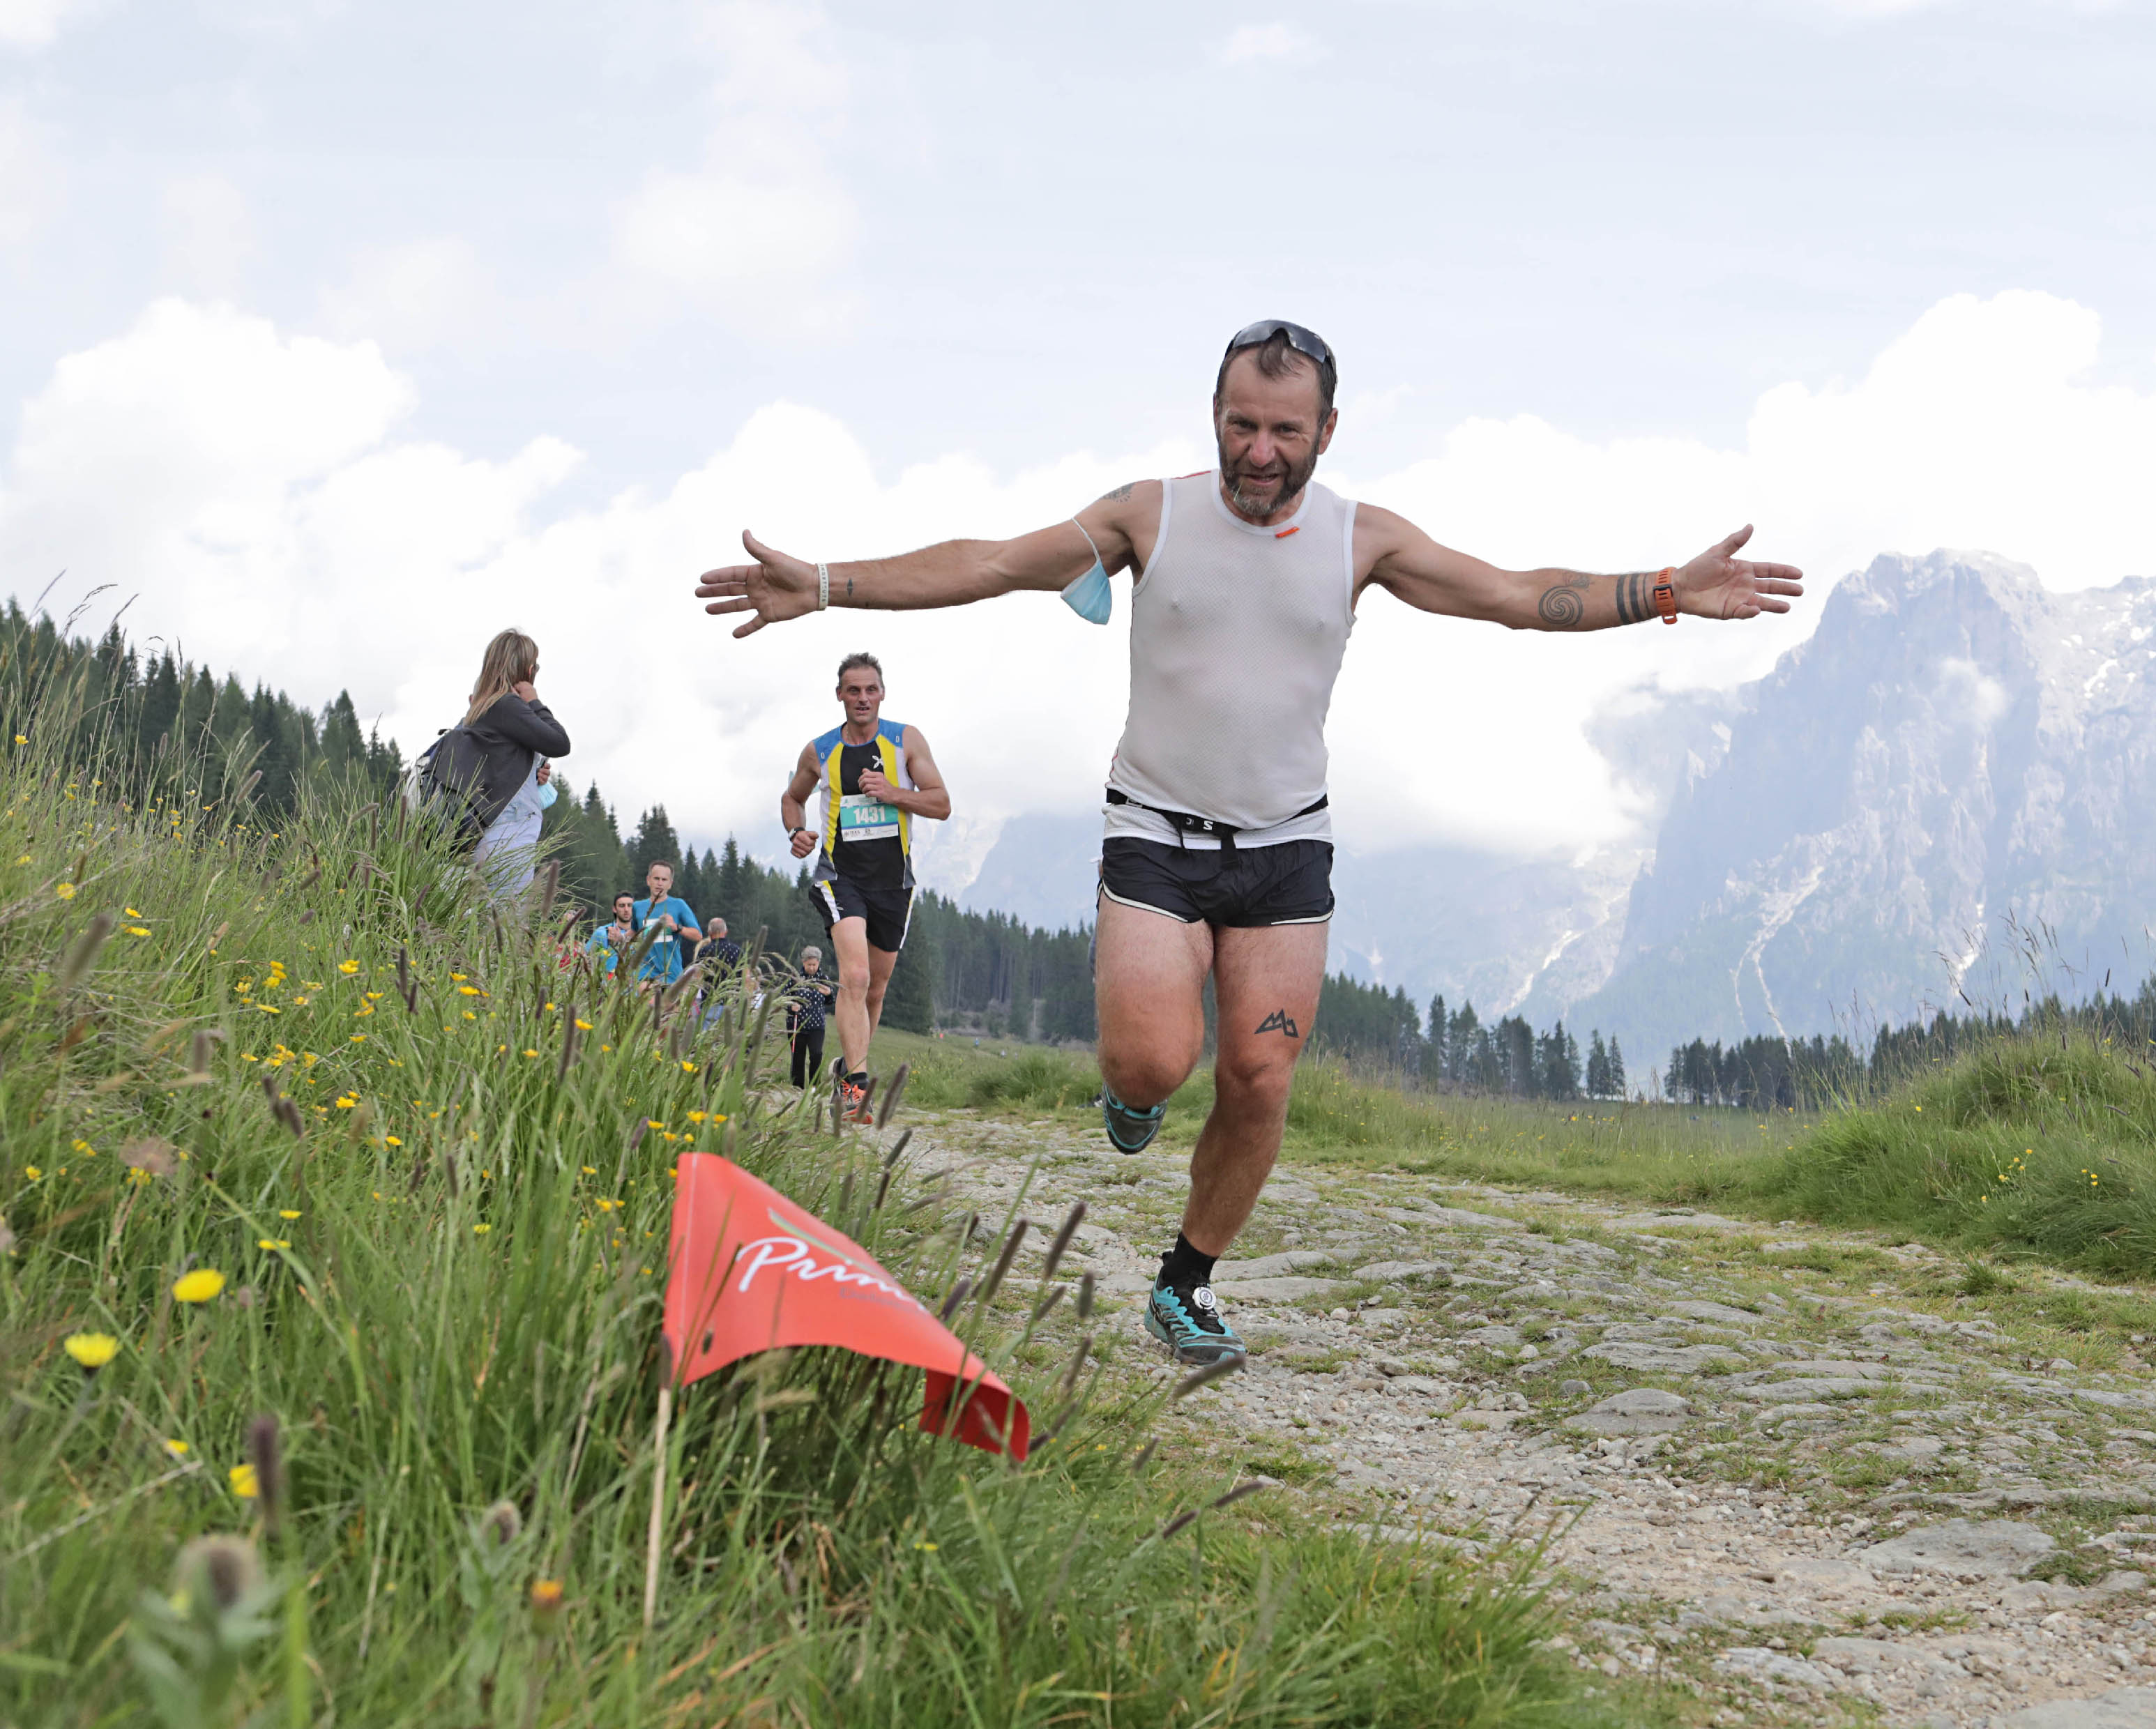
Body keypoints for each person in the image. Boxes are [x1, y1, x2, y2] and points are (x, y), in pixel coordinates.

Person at [697, 319, 1802, 1366]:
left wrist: (1666, 591)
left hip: (1286, 847)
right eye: (1240, 424)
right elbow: (991, 561)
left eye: (1283, 429)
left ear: (1327, 430)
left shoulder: (1364, 538)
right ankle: (1128, 1094)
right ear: (1213, 416)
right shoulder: (1149, 515)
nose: (1259, 451)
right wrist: (830, 585)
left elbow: (1515, 595)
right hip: (1155, 835)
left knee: (1260, 1074)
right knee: (1150, 1063)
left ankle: (1186, 1282)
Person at [776, 653, 950, 1120]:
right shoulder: (821, 750)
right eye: (853, 690)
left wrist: (892, 792)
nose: (862, 698)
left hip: (894, 882)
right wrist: (797, 833)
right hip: (841, 877)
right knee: (854, 978)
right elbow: (793, 798)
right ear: (840, 696)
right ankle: (856, 1088)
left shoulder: (905, 740)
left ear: (882, 693)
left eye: (870, 689)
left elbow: (941, 803)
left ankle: (844, 1070)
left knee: (875, 990)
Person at [433, 630, 570, 896]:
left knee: (480, 923)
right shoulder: (508, 705)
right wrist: (534, 701)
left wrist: (531, 774)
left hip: (483, 825)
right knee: (506, 922)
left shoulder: (482, 707)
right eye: (536, 667)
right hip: (509, 828)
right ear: (528, 669)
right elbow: (559, 742)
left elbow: (490, 764)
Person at [629, 861, 701, 989]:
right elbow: (633, 934)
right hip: (644, 973)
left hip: (671, 974)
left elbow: (698, 936)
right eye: (656, 878)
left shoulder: (679, 905)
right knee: (649, 1005)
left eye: (664, 880)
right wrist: (621, 939)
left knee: (669, 1009)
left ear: (670, 884)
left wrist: (677, 927)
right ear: (648, 880)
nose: (660, 883)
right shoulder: (637, 907)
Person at [782, 945, 836, 1088]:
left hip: (817, 1025)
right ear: (803, 962)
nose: (812, 968)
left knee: (816, 1054)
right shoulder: (795, 978)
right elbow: (784, 998)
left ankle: (814, 1086)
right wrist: (791, 1006)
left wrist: (829, 994)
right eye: (809, 964)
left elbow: (831, 1002)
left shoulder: (824, 979)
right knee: (798, 1056)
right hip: (797, 1023)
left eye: (814, 965)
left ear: (819, 963)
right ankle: (797, 1087)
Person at [584, 893, 637, 975]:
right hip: (607, 984)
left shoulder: (642, 933)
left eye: (630, 906)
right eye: (622, 906)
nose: (626, 909)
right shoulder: (602, 932)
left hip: (635, 984)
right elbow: (586, 958)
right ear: (614, 909)